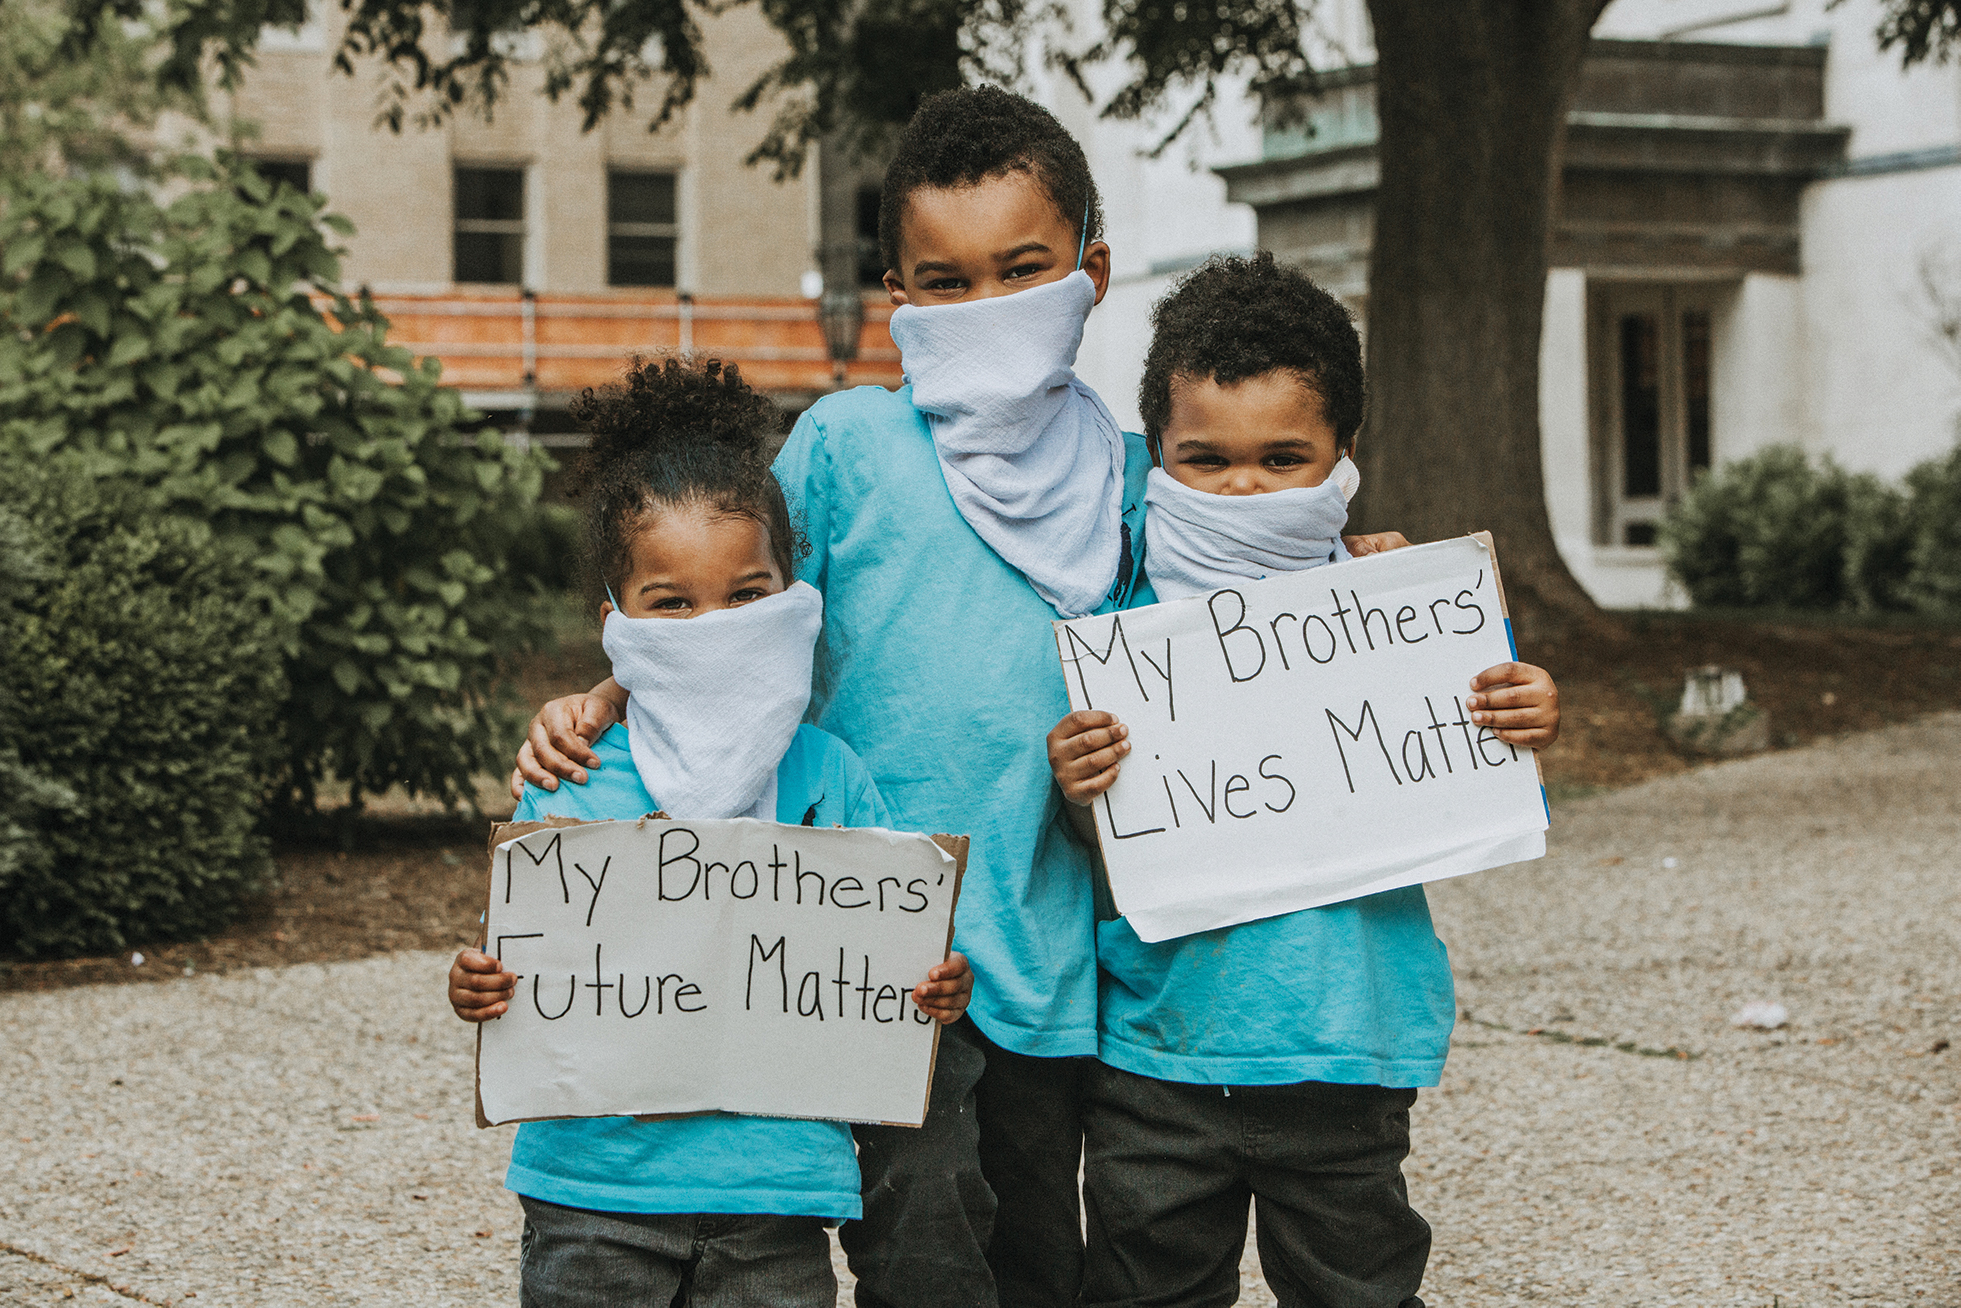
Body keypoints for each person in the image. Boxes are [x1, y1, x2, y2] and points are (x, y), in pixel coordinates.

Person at [509, 92, 1402, 1308]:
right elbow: (721, 592)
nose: (986, 308)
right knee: (920, 1262)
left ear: (1089, 270)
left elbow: (1236, 599)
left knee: (1038, 1259)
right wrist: (603, 694)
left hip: (1045, 965)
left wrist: (1357, 584)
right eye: (948, 280)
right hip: (868, 957)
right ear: (898, 299)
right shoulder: (845, 448)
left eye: (1021, 271)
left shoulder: (1141, 481)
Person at [1046, 253, 1562, 1308]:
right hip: (1155, 1058)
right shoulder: (1111, 606)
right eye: (1207, 459)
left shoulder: (1392, 607)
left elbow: (1471, 768)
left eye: (1283, 457)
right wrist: (1074, 778)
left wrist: (1523, 709)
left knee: (1357, 1291)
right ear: (1157, 454)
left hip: (1344, 1053)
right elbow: (1087, 831)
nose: (1244, 488)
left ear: (1342, 457)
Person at [449, 355, 973, 1308]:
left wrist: (934, 987)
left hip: (779, 1200)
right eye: (673, 604)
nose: (715, 625)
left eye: (747, 594)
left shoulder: (832, 777)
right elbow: (518, 966)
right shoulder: (573, 775)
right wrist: (479, 984)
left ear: (792, 589)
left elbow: (903, 952)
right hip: (593, 1197)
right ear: (618, 620)